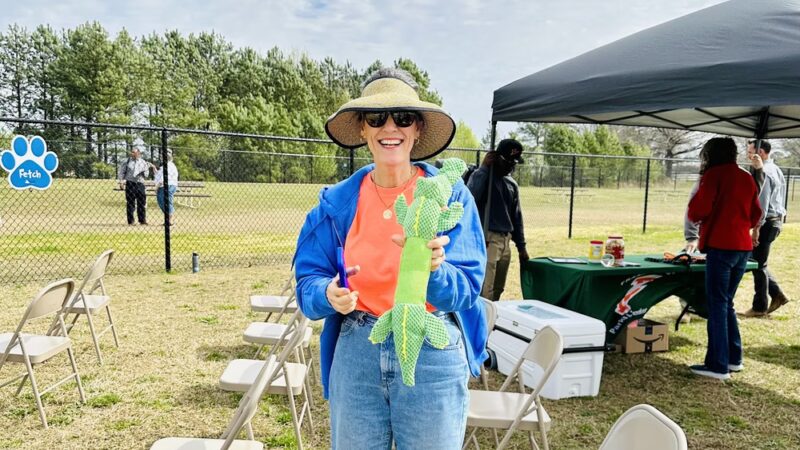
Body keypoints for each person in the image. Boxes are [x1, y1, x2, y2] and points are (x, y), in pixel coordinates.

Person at [294, 68, 487, 449]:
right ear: (363, 130)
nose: (389, 128)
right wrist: (326, 294)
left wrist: (436, 272)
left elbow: (467, 286)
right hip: (357, 347)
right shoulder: (335, 204)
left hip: (432, 348)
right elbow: (308, 279)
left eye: (402, 118)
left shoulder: (451, 198)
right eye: (376, 118)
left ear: (416, 129)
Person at [687, 137, 762, 380]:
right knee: (726, 302)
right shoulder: (745, 176)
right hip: (742, 247)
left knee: (717, 304)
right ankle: (733, 358)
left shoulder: (714, 175)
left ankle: (718, 365)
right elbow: (756, 214)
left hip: (721, 246)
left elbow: (698, 210)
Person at [466, 138, 528, 301]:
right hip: (488, 238)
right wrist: (484, 169)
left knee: (499, 287)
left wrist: (521, 246)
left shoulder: (511, 184)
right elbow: (470, 197)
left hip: (505, 240)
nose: (511, 166)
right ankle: (481, 323)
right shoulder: (482, 175)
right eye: (508, 161)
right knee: (485, 288)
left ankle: (492, 320)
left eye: (514, 162)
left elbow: (516, 216)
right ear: (497, 158)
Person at [741, 139, 790, 317]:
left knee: (758, 265)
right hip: (776, 220)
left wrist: (756, 227)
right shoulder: (776, 169)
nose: (748, 156)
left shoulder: (766, 173)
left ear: (760, 153)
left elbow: (762, 202)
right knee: (758, 261)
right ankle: (777, 294)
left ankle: (760, 307)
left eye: (750, 152)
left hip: (767, 222)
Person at [118, 145, 152, 226]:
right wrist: (121, 182)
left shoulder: (143, 162)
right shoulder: (127, 161)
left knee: (141, 202)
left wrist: (143, 172)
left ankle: (142, 220)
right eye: (132, 152)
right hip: (130, 183)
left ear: (138, 153)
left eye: (134, 152)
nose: (132, 153)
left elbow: (147, 174)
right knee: (130, 203)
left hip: (140, 184)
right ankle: (131, 221)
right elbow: (121, 172)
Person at [154, 151, 179, 225]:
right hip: (166, 186)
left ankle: (169, 221)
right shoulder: (166, 166)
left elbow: (163, 179)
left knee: (166, 202)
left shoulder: (168, 166)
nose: (161, 158)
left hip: (168, 186)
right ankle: (167, 220)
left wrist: (156, 188)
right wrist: (154, 169)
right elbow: (159, 175)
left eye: (162, 156)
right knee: (163, 202)